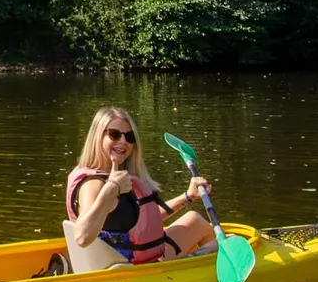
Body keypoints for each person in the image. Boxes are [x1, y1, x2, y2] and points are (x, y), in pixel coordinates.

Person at [65, 106, 215, 264]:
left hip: (125, 256)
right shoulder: (93, 184)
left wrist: (187, 196)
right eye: (114, 134)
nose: (123, 141)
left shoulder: (101, 174)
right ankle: (203, 276)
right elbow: (82, 236)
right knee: (219, 238)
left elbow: (145, 219)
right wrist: (112, 188)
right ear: (97, 136)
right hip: (124, 266)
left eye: (129, 137)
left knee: (195, 219)